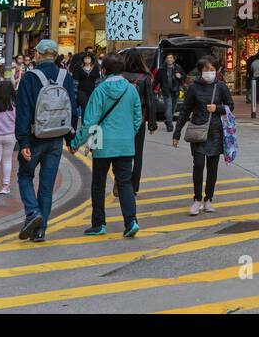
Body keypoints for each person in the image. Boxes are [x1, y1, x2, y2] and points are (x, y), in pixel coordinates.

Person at [15, 39, 79, 242]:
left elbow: (23, 111)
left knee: (25, 176)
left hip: (35, 137)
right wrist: (70, 138)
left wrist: (23, 141)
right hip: (57, 137)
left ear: (38, 55)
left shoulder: (30, 77)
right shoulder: (65, 76)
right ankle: (41, 230)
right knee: (46, 185)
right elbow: (72, 108)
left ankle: (33, 212)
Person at [72, 53, 142, 237]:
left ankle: (98, 224)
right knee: (125, 183)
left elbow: (90, 122)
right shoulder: (131, 89)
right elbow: (137, 118)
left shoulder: (100, 90)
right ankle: (131, 221)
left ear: (103, 71)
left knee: (98, 184)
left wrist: (75, 142)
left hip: (102, 142)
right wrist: (128, 134)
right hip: (125, 144)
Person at [172, 56, 233, 216]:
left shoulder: (221, 87)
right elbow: (185, 110)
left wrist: (217, 108)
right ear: (200, 71)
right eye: (206, 70)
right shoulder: (194, 88)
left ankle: (208, 199)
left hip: (216, 132)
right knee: (198, 165)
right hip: (198, 131)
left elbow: (230, 106)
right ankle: (197, 199)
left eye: (212, 70)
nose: (209, 73)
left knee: (212, 168)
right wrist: (176, 133)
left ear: (217, 70)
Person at [121, 51, 157, 195]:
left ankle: (122, 183)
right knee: (137, 154)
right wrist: (152, 123)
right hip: (138, 120)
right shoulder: (145, 78)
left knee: (123, 153)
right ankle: (133, 187)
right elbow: (150, 101)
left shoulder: (120, 76)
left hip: (121, 119)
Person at [157, 52, 183, 130]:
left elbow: (184, 76)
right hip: (166, 91)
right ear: (165, 59)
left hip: (175, 90)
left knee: (173, 108)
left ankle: (167, 120)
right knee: (169, 107)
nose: (169, 59)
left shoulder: (178, 67)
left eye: (171, 58)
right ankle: (170, 125)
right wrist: (152, 90)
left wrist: (180, 76)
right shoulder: (161, 69)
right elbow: (156, 80)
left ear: (174, 59)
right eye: (167, 58)